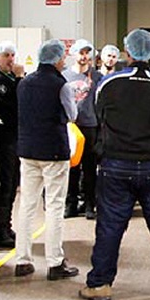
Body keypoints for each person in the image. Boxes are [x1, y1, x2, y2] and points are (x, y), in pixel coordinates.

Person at [79, 28, 150, 300]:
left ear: (127, 52)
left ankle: (101, 283)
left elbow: (99, 118)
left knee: (110, 226)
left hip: (117, 165)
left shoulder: (108, 83)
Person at [13, 39, 80, 280]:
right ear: (56, 59)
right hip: (53, 151)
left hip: (28, 150)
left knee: (27, 206)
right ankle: (54, 261)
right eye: (63, 57)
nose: (65, 61)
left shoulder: (24, 82)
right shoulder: (61, 84)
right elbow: (72, 115)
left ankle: (22, 259)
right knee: (54, 206)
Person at [0, 41, 24, 248]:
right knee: (1, 186)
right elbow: (12, 103)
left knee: (11, 186)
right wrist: (19, 80)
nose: (11, 59)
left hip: (14, 140)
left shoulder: (11, 79)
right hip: (1, 142)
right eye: (6, 55)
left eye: (12, 55)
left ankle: (5, 226)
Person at [63, 39, 102, 220]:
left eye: (87, 53)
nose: (84, 56)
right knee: (72, 168)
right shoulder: (64, 76)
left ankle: (89, 204)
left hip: (90, 126)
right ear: (73, 54)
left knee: (89, 168)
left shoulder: (97, 76)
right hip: (71, 127)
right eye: (80, 52)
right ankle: (70, 203)